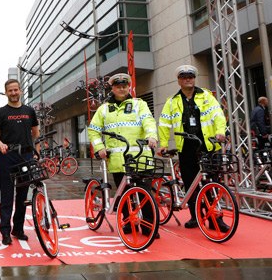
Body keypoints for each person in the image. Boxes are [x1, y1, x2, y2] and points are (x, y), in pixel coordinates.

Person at [157, 64, 228, 231]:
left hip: (208, 145)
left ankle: (216, 219)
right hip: (186, 147)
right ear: (179, 81)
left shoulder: (207, 96)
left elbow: (218, 115)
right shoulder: (172, 101)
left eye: (191, 76)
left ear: (194, 79)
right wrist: (164, 144)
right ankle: (195, 216)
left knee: (212, 182)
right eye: (184, 77)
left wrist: (220, 132)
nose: (188, 79)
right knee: (190, 183)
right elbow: (164, 124)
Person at [87, 73, 159, 236]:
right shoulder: (104, 109)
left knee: (146, 195)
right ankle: (127, 222)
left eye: (124, 86)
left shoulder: (139, 104)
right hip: (118, 160)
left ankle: (150, 228)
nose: (121, 88)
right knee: (123, 196)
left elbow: (148, 121)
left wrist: (151, 136)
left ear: (129, 87)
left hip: (141, 158)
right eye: (118, 86)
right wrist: (99, 147)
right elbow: (93, 130)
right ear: (112, 88)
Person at [0, 79, 39, 246]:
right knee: (7, 195)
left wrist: (29, 147)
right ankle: (5, 231)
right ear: (6, 92)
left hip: (25, 157)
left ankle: (18, 229)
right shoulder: (1, 112)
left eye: (16, 90)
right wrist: (0, 144)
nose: (13, 93)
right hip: (7, 156)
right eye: (10, 90)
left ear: (20, 91)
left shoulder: (29, 111)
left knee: (23, 195)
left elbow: (35, 132)